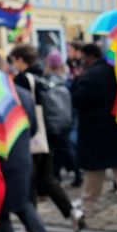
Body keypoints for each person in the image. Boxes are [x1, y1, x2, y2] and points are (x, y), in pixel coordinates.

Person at [0, 52, 55, 232]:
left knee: (0, 213)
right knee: (22, 202)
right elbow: (32, 126)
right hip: (22, 157)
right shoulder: (21, 93)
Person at [9, 44, 84, 232]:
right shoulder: (45, 75)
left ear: (20, 59)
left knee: (30, 182)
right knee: (47, 178)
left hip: (32, 136)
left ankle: (36, 229)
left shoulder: (22, 80)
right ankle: (72, 212)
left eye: (14, 60)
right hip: (49, 134)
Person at [71, 43, 117, 217]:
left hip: (95, 130)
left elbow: (78, 99)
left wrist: (77, 80)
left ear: (89, 57)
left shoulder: (92, 75)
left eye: (83, 57)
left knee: (94, 171)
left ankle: (88, 205)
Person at [44, 51, 81, 188]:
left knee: (60, 150)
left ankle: (62, 175)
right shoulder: (66, 78)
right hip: (67, 119)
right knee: (64, 148)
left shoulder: (47, 80)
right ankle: (65, 174)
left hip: (53, 121)